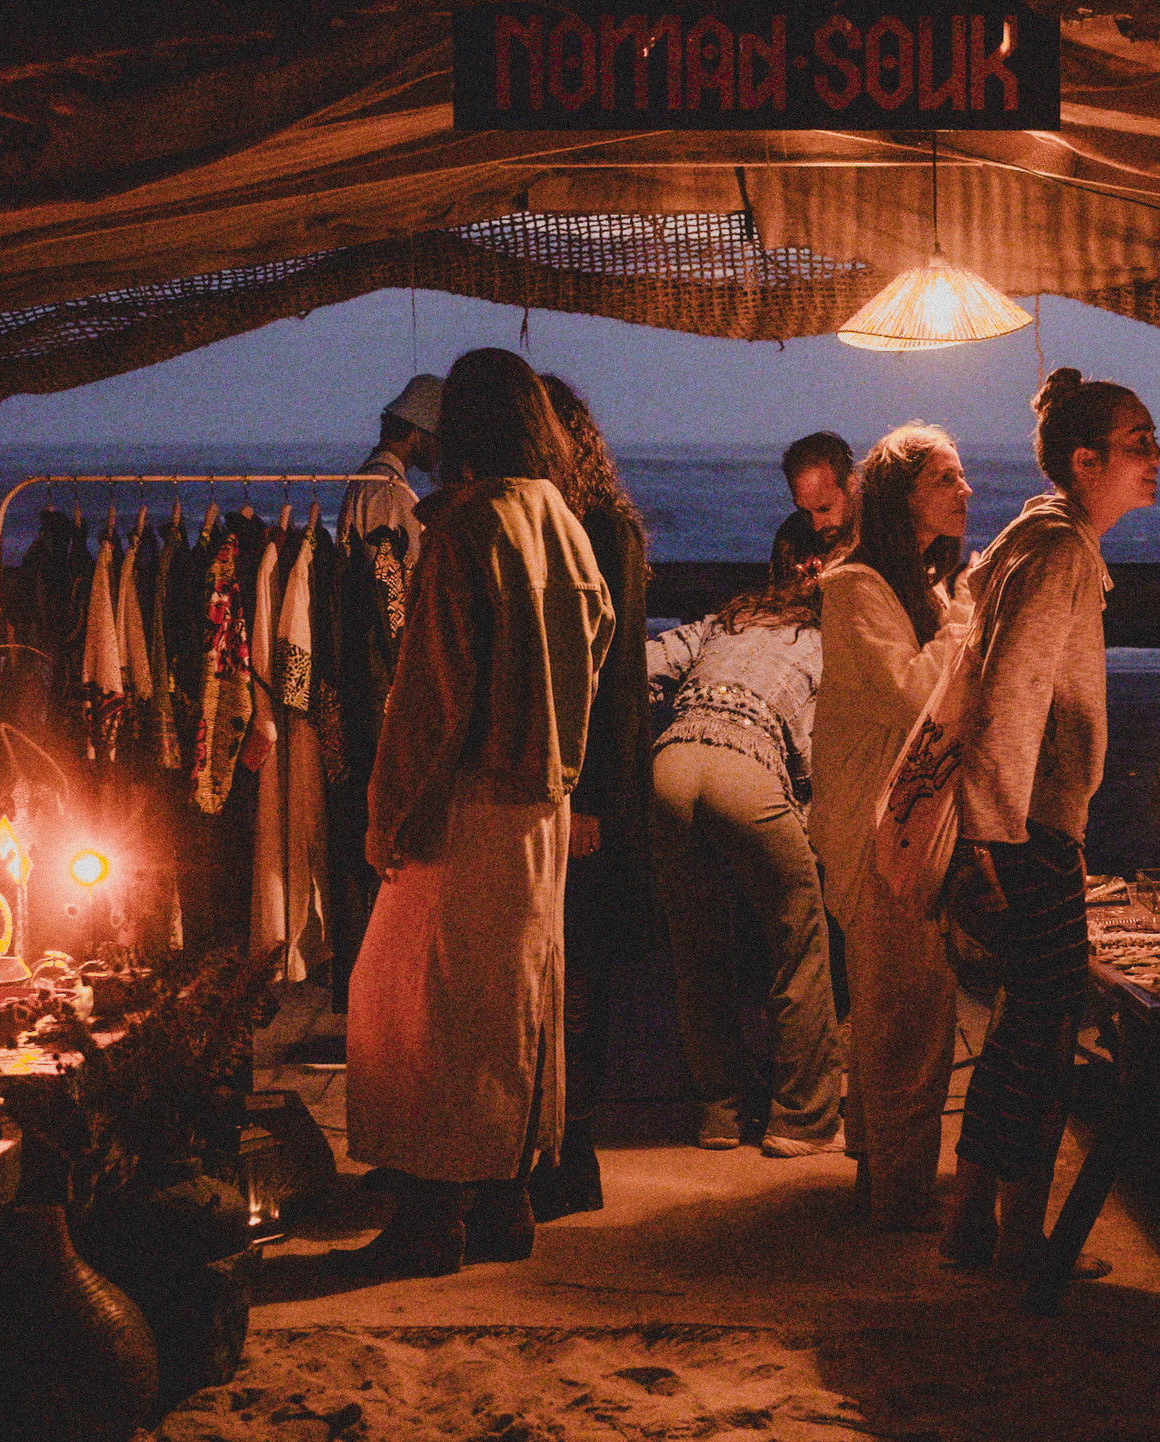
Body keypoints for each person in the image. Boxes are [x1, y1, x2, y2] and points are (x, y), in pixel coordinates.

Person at [343, 353, 613, 1276]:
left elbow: (432, 695)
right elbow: (601, 643)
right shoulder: (566, 527)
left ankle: (432, 1216)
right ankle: (506, 1203)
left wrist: (389, 813)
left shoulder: (470, 528)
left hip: (467, 806)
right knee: (513, 1009)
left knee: (418, 1011)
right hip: (543, 806)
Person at [939, 368, 1160, 1276]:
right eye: (1139, 443)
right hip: (1028, 830)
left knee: (1023, 1025)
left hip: (1021, 825)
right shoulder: (1061, 551)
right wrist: (993, 839)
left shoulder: (1040, 536)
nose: (1157, 459)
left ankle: (973, 1224)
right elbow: (1011, 696)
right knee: (1042, 1028)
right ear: (1086, 460)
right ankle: (1020, 1235)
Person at [811, 422, 973, 1227]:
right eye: (947, 478)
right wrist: (965, 615)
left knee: (895, 1000)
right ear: (905, 493)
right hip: (872, 823)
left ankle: (885, 1174)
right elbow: (916, 697)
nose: (965, 491)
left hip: (893, 818)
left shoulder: (915, 585)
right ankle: (899, 1193)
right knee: (902, 1004)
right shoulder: (856, 589)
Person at [646, 528, 842, 1153]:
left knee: (697, 950)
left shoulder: (724, 622)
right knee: (800, 940)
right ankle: (800, 1120)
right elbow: (814, 756)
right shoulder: (823, 640)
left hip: (670, 766)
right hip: (748, 768)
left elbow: (641, 664)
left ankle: (719, 1113)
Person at [534, 375, 653, 1218]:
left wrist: (596, 802)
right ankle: (559, 1146)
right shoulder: (589, 523)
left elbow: (611, 680)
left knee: (578, 972)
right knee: (564, 972)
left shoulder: (598, 529)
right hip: (583, 782)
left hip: (591, 787)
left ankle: (574, 1153)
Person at [325, 372, 444, 991]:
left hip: (367, 668)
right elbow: (388, 583)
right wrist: (408, 662)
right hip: (379, 672)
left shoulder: (368, 482)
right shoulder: (387, 492)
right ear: (418, 433)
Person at [781, 432, 857, 560]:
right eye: (804, 512)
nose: (816, 526)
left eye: (824, 509)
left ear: (852, 483)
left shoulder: (884, 536)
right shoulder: (791, 536)